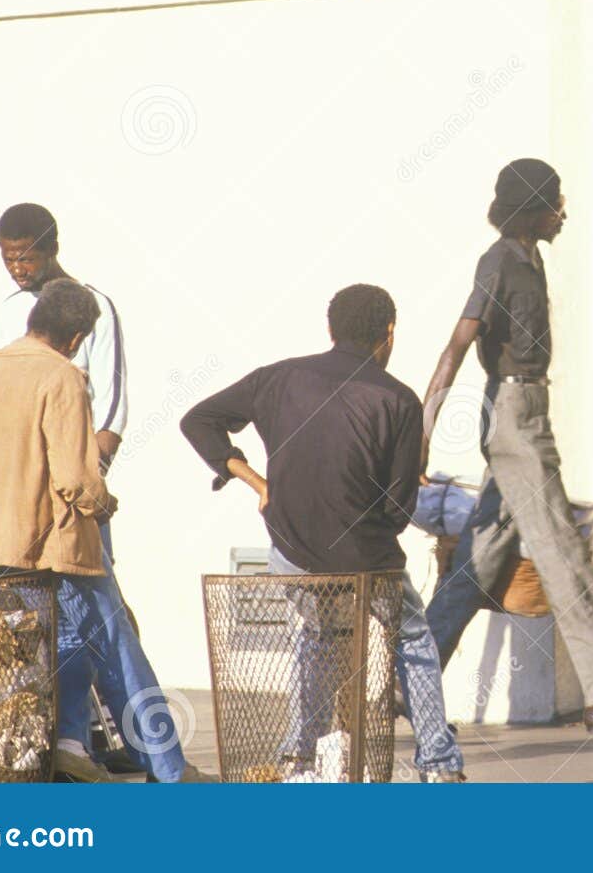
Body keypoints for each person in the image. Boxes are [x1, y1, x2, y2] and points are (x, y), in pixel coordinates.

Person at [180, 284, 465, 782]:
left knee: (316, 639)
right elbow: (398, 509)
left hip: (293, 550)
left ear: (330, 330)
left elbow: (197, 420)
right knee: (414, 641)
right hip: (366, 557)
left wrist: (256, 483)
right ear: (389, 333)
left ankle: (300, 758)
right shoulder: (398, 400)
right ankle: (438, 766)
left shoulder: (278, 377)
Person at [423, 159, 593, 735]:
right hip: (513, 418)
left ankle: (410, 683)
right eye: (556, 202)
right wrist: (423, 430)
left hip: (529, 410)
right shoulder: (500, 260)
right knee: (564, 555)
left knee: (478, 559)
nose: (564, 213)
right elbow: (457, 345)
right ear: (531, 207)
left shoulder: (530, 260)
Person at [0, 279, 206, 783]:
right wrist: (104, 502)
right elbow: (75, 478)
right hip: (56, 545)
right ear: (76, 337)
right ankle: (169, 770)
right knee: (117, 646)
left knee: (44, 653)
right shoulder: (62, 376)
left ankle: (66, 746)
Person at [0, 203, 128, 480]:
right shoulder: (9, 310)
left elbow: (110, 404)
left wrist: (90, 480)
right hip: (23, 478)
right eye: (9, 260)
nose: (17, 270)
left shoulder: (95, 306)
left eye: (26, 259)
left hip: (76, 472)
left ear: (52, 250)